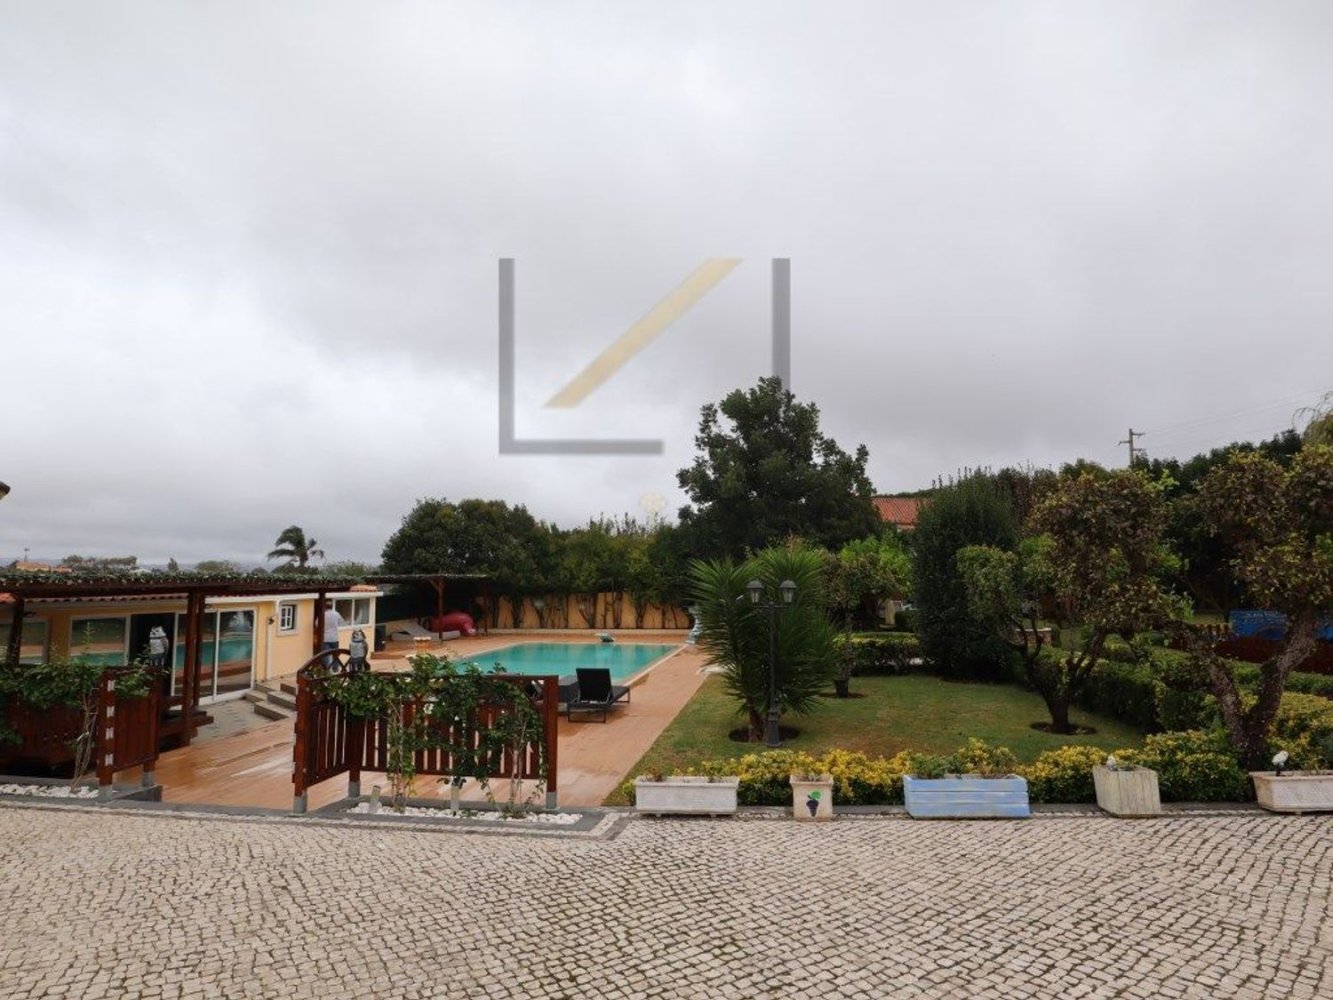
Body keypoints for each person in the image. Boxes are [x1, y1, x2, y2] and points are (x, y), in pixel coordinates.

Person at [321, 600, 345, 669]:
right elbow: (342, 623)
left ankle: (326, 669)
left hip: (325, 638)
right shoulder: (336, 614)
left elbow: (317, 624)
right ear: (332, 607)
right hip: (334, 638)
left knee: (325, 655)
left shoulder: (322, 614)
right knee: (335, 654)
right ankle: (335, 668)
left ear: (325, 607)